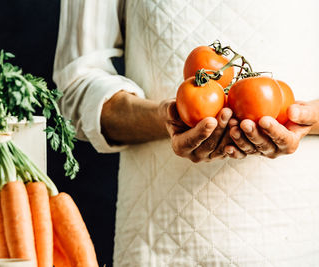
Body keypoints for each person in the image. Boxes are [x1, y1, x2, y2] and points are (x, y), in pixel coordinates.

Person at [54, 0, 319, 266]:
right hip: (160, 240)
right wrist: (168, 118)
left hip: (295, 234)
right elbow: (75, 87)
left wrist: (304, 117)